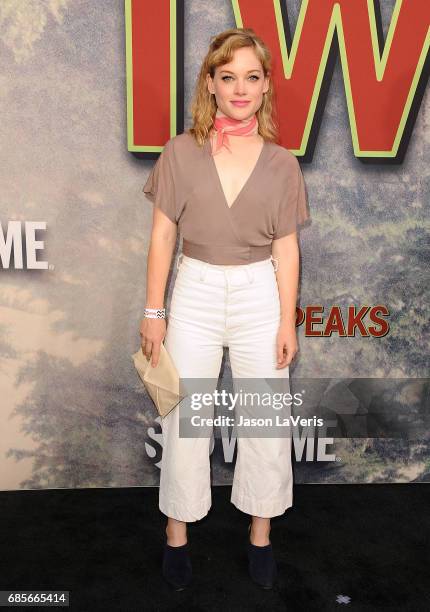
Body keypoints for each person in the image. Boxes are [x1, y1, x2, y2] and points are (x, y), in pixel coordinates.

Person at [140, 28, 310, 591]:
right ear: (210, 84)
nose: (241, 88)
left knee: (264, 419)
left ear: (265, 87)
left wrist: (287, 320)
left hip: (261, 293)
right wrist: (154, 311)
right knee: (186, 420)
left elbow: (287, 248)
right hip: (195, 291)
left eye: (252, 77)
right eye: (228, 76)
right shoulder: (179, 151)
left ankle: (260, 535)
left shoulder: (283, 163)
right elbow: (162, 238)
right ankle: (176, 535)